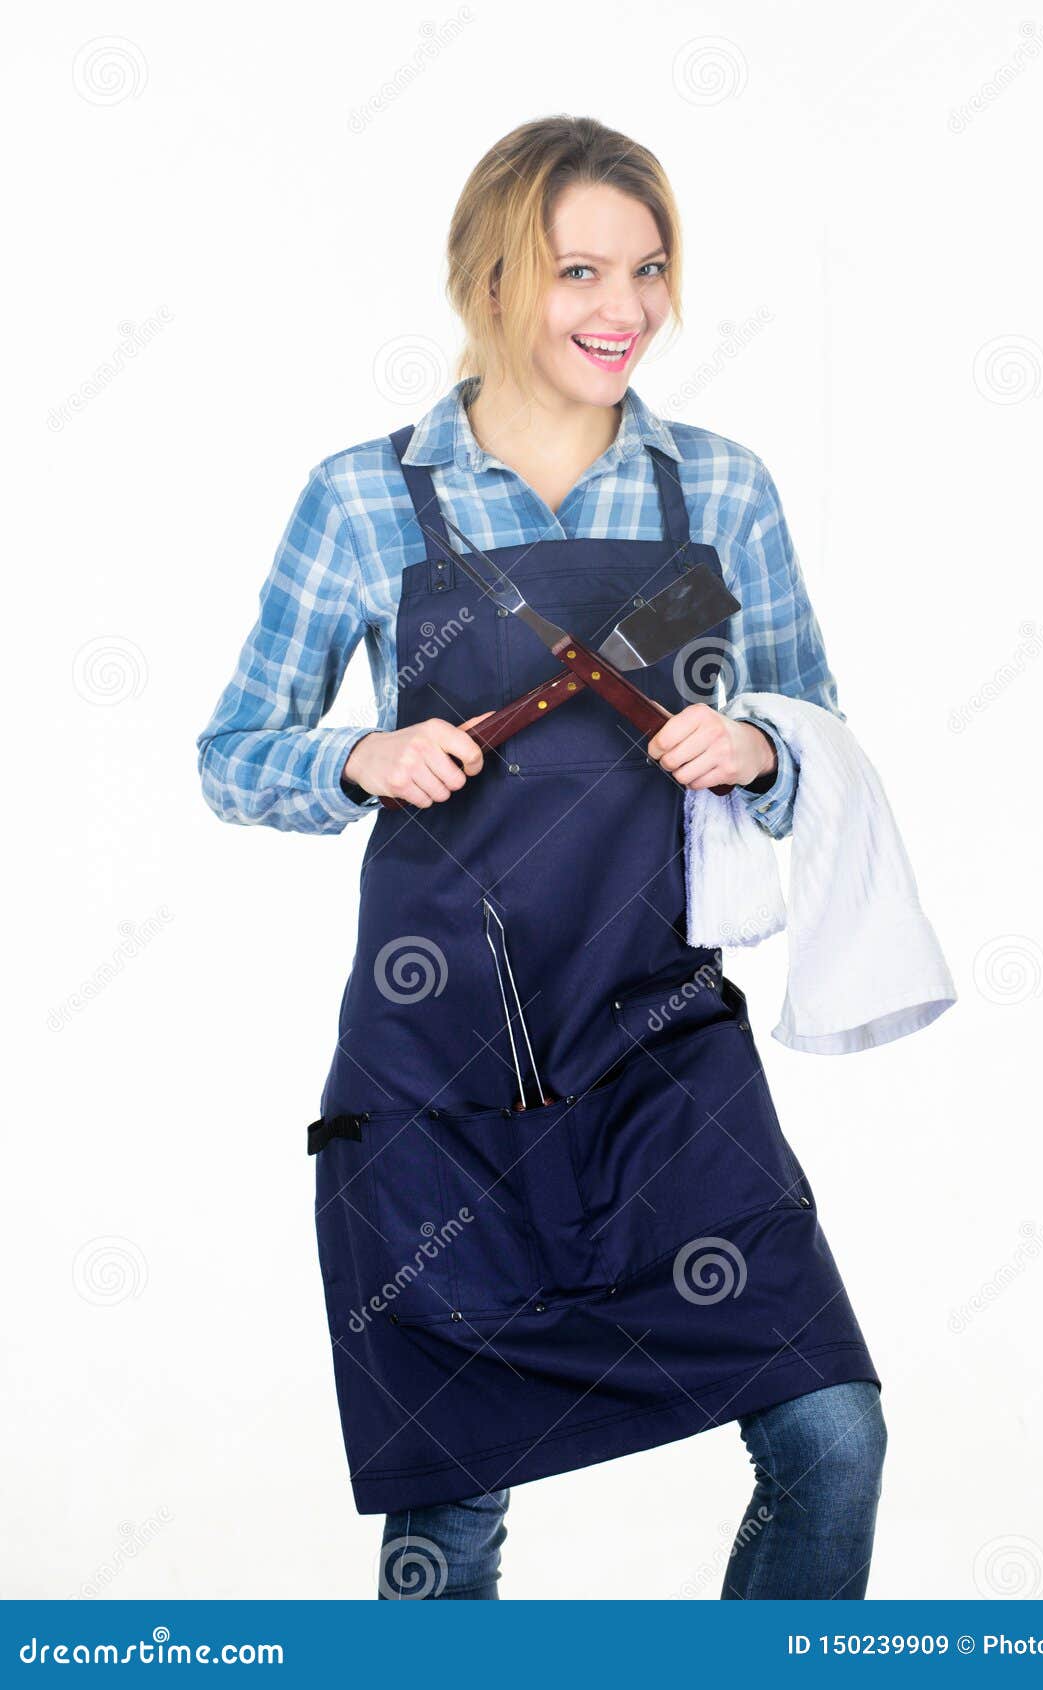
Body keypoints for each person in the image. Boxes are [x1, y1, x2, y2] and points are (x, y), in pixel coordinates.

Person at [196, 115, 887, 1600]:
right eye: (578, 270)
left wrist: (756, 744)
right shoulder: (366, 496)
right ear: (489, 279)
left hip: (662, 1047)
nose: (621, 308)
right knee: (449, 1526)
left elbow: (814, 722)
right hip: (436, 1070)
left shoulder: (719, 489)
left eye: (646, 269)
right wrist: (353, 756)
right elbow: (232, 751)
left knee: (831, 1433)